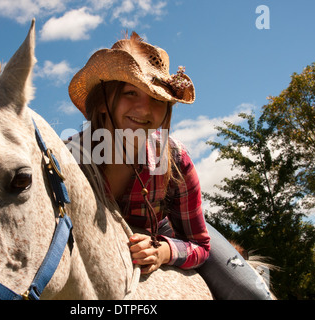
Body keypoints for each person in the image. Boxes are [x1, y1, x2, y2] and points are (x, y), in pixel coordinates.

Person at [67, 32, 271, 300]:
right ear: (104, 103)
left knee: (252, 293)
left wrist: (163, 251)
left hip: (167, 229)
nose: (145, 109)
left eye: (158, 99)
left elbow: (199, 244)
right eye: (130, 93)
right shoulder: (71, 157)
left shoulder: (176, 159)